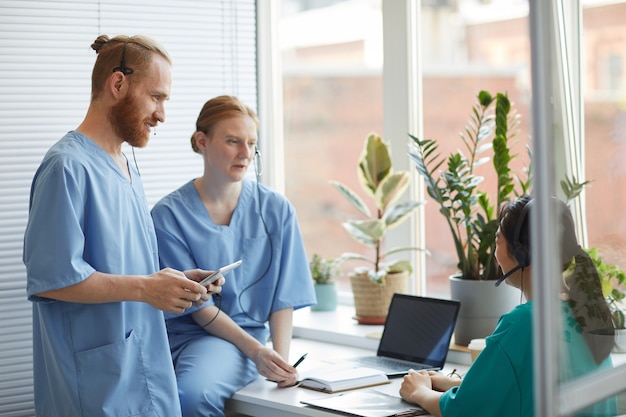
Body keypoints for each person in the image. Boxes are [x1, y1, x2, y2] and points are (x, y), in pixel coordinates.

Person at [22, 35, 222, 417]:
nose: (162, 114)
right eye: (156, 98)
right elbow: (54, 278)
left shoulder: (126, 165)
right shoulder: (67, 167)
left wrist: (174, 284)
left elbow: (123, 266)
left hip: (144, 374)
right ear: (118, 84)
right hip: (97, 386)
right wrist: (147, 288)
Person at [150, 95, 316, 417]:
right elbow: (199, 308)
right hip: (194, 335)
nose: (246, 153)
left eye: (252, 143)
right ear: (202, 142)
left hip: (247, 339)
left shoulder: (276, 209)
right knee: (191, 396)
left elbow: (284, 296)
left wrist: (280, 360)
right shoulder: (168, 216)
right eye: (232, 141)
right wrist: (257, 352)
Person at [399, 195, 617, 417]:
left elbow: (464, 411)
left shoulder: (523, 322)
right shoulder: (584, 310)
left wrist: (419, 391)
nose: (494, 254)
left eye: (497, 242)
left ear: (522, 255)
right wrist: (454, 383)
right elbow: (535, 385)